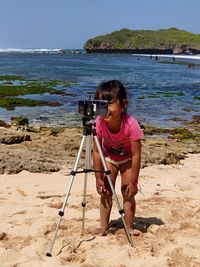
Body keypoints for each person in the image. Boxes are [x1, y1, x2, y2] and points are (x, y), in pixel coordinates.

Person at [93, 80, 143, 236]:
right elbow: (96, 151)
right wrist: (98, 177)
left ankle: (128, 226)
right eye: (101, 104)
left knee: (128, 192)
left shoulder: (131, 124)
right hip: (109, 157)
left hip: (128, 159)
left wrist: (134, 182)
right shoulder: (99, 122)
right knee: (106, 191)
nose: (106, 109)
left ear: (124, 104)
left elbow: (136, 155)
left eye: (110, 103)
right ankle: (103, 226)